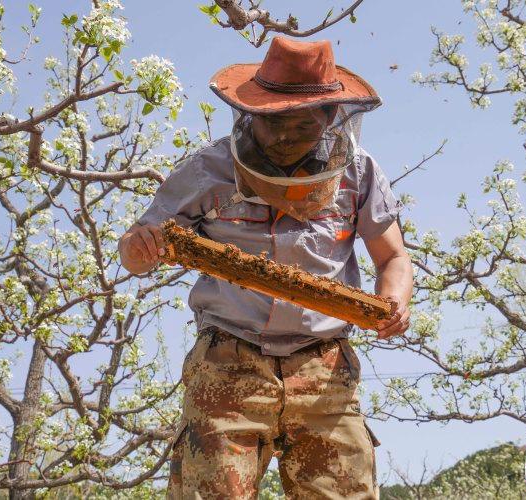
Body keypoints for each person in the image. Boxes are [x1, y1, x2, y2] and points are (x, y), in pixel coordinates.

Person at [118, 36, 413, 499]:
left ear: (330, 120)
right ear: (250, 114)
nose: (283, 138)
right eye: (273, 124)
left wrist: (395, 300)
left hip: (325, 366)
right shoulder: (205, 171)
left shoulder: (359, 172)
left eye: (300, 127)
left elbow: (392, 256)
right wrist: (141, 248)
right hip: (228, 362)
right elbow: (136, 252)